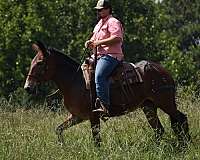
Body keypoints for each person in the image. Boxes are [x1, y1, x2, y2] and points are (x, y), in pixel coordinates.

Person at [85, 0, 124, 115]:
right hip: (98, 56)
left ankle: (104, 105)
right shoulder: (99, 24)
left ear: (108, 9)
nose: (99, 11)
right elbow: (94, 39)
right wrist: (89, 42)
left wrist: (98, 43)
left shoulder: (113, 21)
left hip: (111, 55)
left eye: (101, 9)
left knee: (99, 75)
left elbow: (117, 38)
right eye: (97, 10)